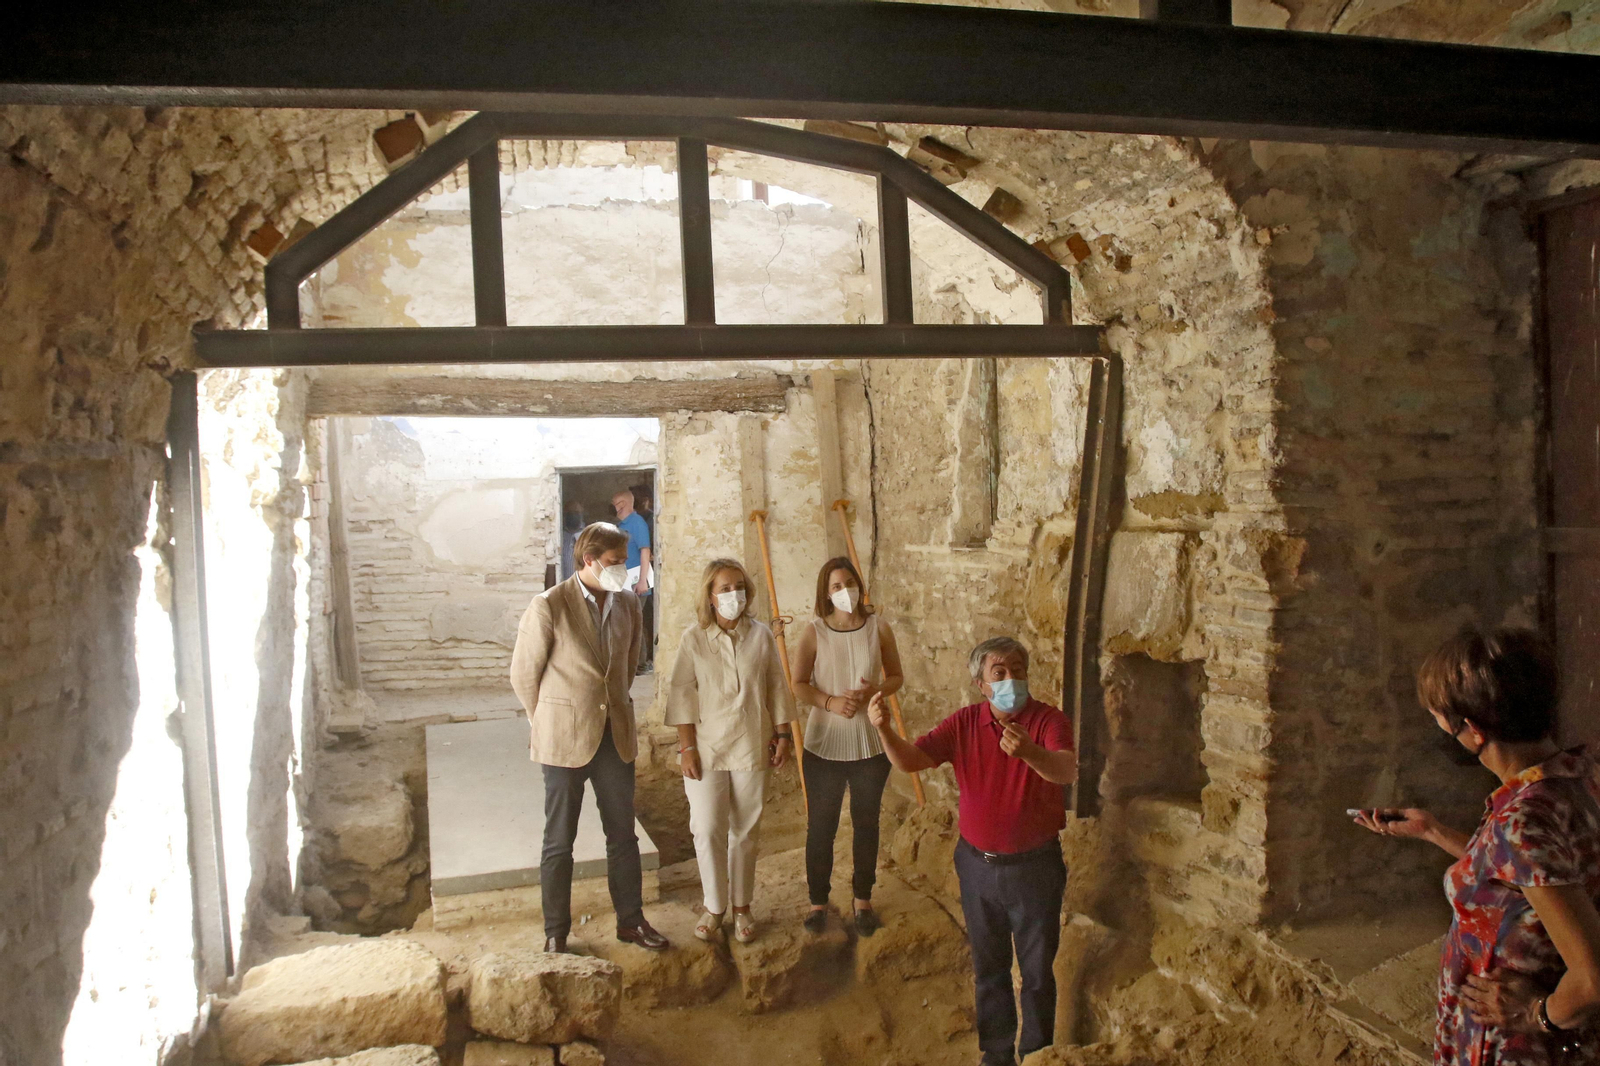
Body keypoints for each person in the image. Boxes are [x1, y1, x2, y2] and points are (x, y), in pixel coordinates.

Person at [1354, 627, 1600, 1066]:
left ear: (1472, 730)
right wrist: (1433, 831)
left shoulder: (1523, 820)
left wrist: (1537, 1014)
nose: (1438, 727)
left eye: (1439, 718)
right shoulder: (1578, 776)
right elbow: (1520, 880)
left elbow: (1593, 978)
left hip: (1518, 1050)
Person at [871, 636, 1077, 1066]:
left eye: (1018, 670)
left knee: (1037, 973)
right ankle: (996, 1054)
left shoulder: (1047, 720)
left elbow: (1065, 770)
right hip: (978, 868)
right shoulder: (964, 723)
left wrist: (1029, 752)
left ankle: (1036, 1054)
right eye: (999, 672)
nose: (1010, 679)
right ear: (980, 684)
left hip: (1035, 868)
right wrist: (884, 730)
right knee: (989, 969)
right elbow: (911, 761)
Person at [510, 521, 670, 954]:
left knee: (623, 836)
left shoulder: (628, 604)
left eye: (624, 561)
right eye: (615, 562)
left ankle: (631, 922)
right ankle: (556, 933)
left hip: (614, 737)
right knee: (559, 841)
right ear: (589, 560)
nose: (623, 569)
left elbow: (631, 662)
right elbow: (523, 675)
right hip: (563, 739)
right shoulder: (549, 605)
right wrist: (545, 721)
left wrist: (611, 703)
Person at [665, 557, 795, 943]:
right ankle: (714, 905)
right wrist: (686, 747)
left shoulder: (761, 636)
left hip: (752, 743)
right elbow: (682, 694)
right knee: (707, 828)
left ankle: (741, 906)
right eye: (724, 589)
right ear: (709, 596)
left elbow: (776, 686)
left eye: (739, 587)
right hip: (705, 748)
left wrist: (784, 735)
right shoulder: (693, 639)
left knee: (746, 830)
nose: (733, 595)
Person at [792, 556, 904, 936]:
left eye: (850, 583)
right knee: (821, 826)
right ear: (826, 593)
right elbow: (799, 684)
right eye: (837, 586)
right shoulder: (815, 632)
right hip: (824, 743)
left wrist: (876, 691)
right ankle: (818, 902)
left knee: (866, 822)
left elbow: (896, 676)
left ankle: (863, 899)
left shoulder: (878, 627)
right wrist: (830, 702)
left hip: (871, 742)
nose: (845, 591)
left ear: (859, 585)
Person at [612, 489, 654, 672]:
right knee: (630, 623)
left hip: (637, 581)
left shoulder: (637, 523)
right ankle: (634, 663)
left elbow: (645, 551)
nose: (615, 508)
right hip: (626, 582)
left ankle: (640, 664)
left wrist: (643, 581)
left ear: (624, 503)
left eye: (617, 503)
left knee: (634, 623)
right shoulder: (622, 525)